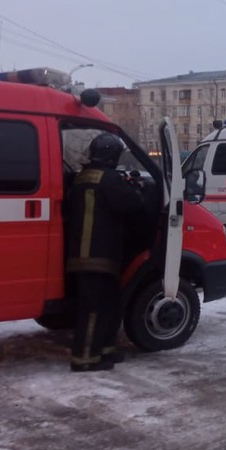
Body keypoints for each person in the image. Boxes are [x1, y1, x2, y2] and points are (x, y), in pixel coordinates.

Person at [65, 133, 145, 372]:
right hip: (99, 256)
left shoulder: (81, 178)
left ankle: (105, 351)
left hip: (81, 255)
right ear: (112, 155)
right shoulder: (110, 179)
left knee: (109, 304)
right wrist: (136, 188)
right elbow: (133, 204)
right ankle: (85, 358)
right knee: (94, 308)